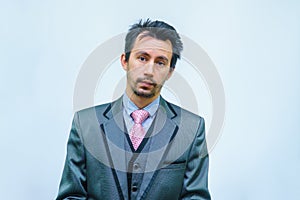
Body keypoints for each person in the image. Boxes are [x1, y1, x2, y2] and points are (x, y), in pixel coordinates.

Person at [56, 19, 211, 200]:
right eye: (142, 58)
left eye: (160, 62)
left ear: (170, 71)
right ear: (125, 61)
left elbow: (196, 197)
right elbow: (70, 196)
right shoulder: (85, 123)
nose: (149, 71)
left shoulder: (191, 128)